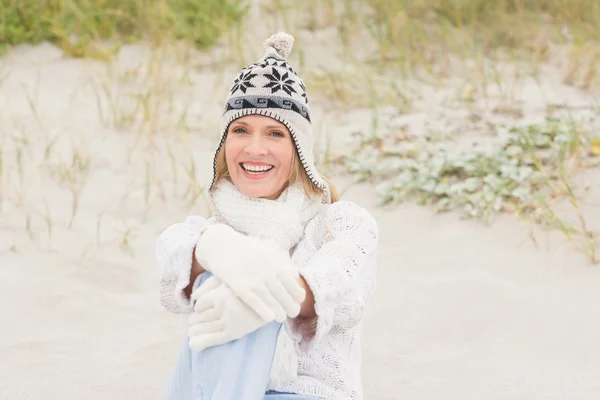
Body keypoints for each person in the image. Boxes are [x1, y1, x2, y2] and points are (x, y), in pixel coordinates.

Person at [155, 32, 379, 400]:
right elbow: (169, 261)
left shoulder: (341, 225)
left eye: (275, 133)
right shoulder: (208, 231)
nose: (254, 148)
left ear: (299, 150)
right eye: (240, 130)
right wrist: (213, 247)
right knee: (222, 271)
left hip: (302, 394)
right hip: (210, 391)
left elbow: (339, 288)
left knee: (240, 282)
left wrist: (259, 302)